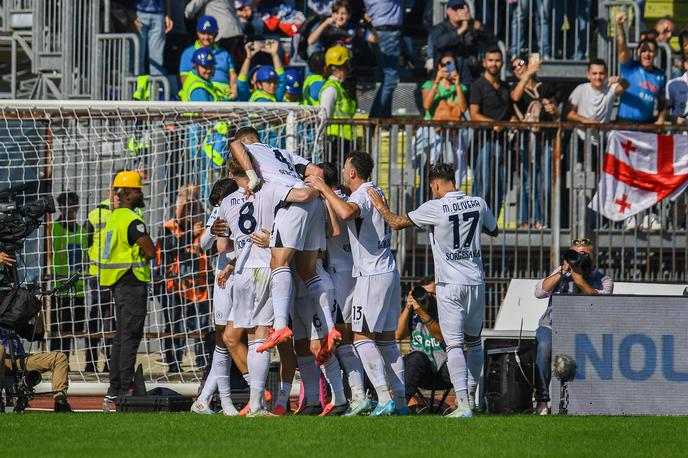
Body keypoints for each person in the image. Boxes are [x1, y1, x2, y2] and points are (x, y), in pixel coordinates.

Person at [367, 162, 498, 417]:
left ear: (436, 185)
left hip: (450, 285)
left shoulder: (435, 207)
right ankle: (472, 399)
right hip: (475, 281)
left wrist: (381, 206)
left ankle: (462, 405)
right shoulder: (478, 203)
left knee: (454, 345)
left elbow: (395, 222)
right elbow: (493, 230)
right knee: (474, 342)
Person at [305, 152, 406, 416]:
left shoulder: (360, 195)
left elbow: (347, 214)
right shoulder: (374, 190)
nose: (343, 170)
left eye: (345, 166)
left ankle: (382, 399)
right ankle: (401, 401)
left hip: (371, 274)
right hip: (386, 269)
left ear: (352, 173)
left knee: (360, 338)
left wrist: (323, 189)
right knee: (386, 341)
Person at [217, 157, 321, 416]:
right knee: (264, 336)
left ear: (232, 174)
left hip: (240, 272)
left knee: (252, 337)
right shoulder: (269, 189)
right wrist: (318, 186)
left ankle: (259, 400)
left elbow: (221, 244)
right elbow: (303, 196)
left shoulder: (227, 202)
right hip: (266, 268)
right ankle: (256, 405)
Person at [229, 127, 340, 366]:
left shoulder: (248, 148)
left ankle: (280, 326)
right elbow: (317, 170)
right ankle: (330, 328)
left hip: (292, 201)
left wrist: (253, 176)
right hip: (314, 202)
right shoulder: (283, 152)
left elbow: (235, 147)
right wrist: (315, 186)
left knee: (278, 262)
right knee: (308, 270)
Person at [533, 237, 613, 415]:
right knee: (544, 347)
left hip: (584, 331)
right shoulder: (561, 273)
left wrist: (580, 281)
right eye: (574, 255)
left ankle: (587, 404)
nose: (578, 259)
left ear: (593, 259)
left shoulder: (603, 280)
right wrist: (562, 272)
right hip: (552, 326)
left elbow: (603, 302)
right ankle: (542, 401)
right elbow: (539, 292)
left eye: (584, 255)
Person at [99, 171, 156, 405]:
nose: (141, 193)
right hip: (132, 283)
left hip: (118, 283)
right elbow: (150, 251)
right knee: (130, 337)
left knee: (121, 337)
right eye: (138, 190)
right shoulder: (132, 220)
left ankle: (115, 387)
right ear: (129, 194)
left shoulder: (113, 218)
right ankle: (123, 390)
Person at [317, 162, 368, 414]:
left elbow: (334, 231)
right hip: (353, 270)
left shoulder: (329, 200)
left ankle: (356, 395)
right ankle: (352, 395)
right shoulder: (349, 198)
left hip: (339, 273)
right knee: (349, 336)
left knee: (340, 337)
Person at [191, 178, 240, 415]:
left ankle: (206, 399)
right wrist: (213, 230)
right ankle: (218, 401)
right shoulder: (219, 210)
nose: (220, 207)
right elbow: (204, 243)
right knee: (224, 338)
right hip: (224, 278)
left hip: (245, 273)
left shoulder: (247, 205)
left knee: (238, 338)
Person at [159, 199, 211, 372]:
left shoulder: (204, 231)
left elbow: (212, 251)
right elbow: (170, 250)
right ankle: (174, 364)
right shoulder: (169, 228)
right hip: (176, 288)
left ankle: (202, 363)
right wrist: (190, 235)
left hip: (199, 288)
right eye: (186, 211)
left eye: (194, 211)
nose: (190, 215)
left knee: (201, 327)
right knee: (176, 328)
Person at [395, 277, 452, 411]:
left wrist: (422, 312)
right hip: (420, 372)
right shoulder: (414, 315)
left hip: (444, 373)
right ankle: (399, 407)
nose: (427, 298)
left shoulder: (448, 314)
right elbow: (398, 334)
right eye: (424, 294)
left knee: (464, 359)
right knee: (416, 357)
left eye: (432, 294)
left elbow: (440, 337)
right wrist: (409, 306)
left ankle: (468, 404)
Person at [469, 45, 513, 216]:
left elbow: (509, 113)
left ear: (502, 63)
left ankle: (492, 222)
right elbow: (474, 114)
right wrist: (493, 123)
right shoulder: (477, 85)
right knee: (483, 184)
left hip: (502, 143)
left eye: (497, 61)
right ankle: (475, 220)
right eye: (491, 60)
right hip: (483, 141)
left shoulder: (505, 86)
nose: (494, 64)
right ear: (484, 62)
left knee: (500, 184)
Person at [1, 311, 72, 413]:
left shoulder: (11, 317)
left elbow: (36, 335)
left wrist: (38, 313)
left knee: (59, 358)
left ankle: (60, 401)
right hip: (2, 361)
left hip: (19, 359)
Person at [49, 192, 87, 368]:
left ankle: (73, 363)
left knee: (75, 330)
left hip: (79, 289)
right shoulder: (53, 229)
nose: (68, 211)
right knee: (59, 330)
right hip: (60, 288)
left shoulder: (82, 232)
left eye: (71, 207)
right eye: (64, 207)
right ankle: (58, 364)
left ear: (77, 208)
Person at [615, 11, 666, 124]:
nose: (647, 54)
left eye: (651, 51)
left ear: (656, 53)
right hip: (625, 124)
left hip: (646, 126)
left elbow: (662, 102)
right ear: (638, 52)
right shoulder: (630, 68)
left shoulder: (660, 75)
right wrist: (619, 26)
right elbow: (622, 46)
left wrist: (661, 118)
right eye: (643, 51)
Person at [428, 0, 492, 86]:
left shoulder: (472, 26)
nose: (458, 11)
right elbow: (439, 43)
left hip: (469, 75)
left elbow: (489, 40)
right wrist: (461, 29)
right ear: (448, 12)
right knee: (450, 59)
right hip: (447, 77)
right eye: (455, 9)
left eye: (461, 8)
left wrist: (477, 26)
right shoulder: (440, 28)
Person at [179, 16, 238, 101]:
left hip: (225, 94)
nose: (206, 37)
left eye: (210, 33)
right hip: (204, 91)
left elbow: (232, 74)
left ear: (216, 33)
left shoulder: (224, 53)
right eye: (203, 33)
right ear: (197, 33)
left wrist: (234, 88)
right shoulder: (188, 53)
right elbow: (185, 81)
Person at [365, 0, 403, 118]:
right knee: (391, 79)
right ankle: (373, 120)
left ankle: (385, 121)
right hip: (388, 33)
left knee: (386, 79)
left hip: (378, 31)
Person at [567, 59, 627, 131]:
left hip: (602, 139)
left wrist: (619, 79)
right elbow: (570, 114)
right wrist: (586, 121)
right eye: (594, 73)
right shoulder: (581, 89)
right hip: (581, 138)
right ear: (588, 75)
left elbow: (626, 85)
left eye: (601, 73)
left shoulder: (610, 89)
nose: (598, 77)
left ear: (606, 75)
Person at [307, 0, 377, 60]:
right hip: (332, 70)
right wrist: (324, 24)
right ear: (332, 15)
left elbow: (374, 39)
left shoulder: (355, 28)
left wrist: (370, 24)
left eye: (343, 14)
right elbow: (311, 41)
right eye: (337, 13)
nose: (340, 17)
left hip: (350, 69)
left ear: (349, 15)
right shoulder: (327, 28)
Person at [320, 46, 357, 156]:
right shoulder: (331, 89)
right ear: (343, 66)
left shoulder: (340, 88)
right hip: (334, 142)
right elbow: (324, 115)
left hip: (343, 141)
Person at [421, 50, 467, 120]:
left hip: (453, 125)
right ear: (439, 66)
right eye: (443, 65)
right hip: (432, 124)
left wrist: (457, 85)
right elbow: (426, 106)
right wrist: (436, 82)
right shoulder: (429, 84)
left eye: (450, 65)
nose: (446, 68)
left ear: (455, 66)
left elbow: (463, 109)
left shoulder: (461, 88)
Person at [133, 0, 173, 76]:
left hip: (158, 12)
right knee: (137, 57)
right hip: (138, 12)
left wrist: (168, 14)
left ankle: (155, 86)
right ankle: (137, 85)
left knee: (156, 58)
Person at [666, 59, 688, 124]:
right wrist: (676, 119)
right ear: (686, 64)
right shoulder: (672, 84)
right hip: (680, 132)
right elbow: (663, 112)